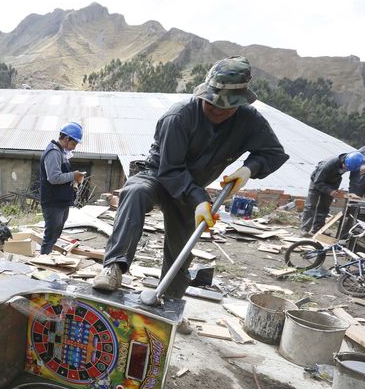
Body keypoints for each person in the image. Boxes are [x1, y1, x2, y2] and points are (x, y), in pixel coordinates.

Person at [92, 56, 289, 295]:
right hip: (157, 175)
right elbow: (171, 170)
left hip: (192, 187)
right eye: (212, 103)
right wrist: (199, 199)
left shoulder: (249, 120)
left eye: (226, 107)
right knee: (134, 192)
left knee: (181, 247)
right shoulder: (178, 117)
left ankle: (170, 298)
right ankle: (114, 267)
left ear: (239, 102)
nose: (217, 110)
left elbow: (274, 152)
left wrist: (249, 169)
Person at [39, 122, 85, 254]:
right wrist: (73, 175)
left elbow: (63, 176)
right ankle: (43, 263)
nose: (73, 147)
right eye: (73, 144)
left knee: (56, 233)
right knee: (51, 235)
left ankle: (49, 259)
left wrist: (74, 182)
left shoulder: (62, 153)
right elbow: (53, 178)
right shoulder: (53, 152)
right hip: (53, 201)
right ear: (66, 139)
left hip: (61, 200)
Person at [299, 152, 365, 236]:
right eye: (346, 167)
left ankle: (317, 230)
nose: (346, 169)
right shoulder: (328, 164)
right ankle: (304, 230)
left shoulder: (354, 165)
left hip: (333, 182)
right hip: (317, 181)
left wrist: (352, 192)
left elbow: (354, 180)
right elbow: (317, 181)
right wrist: (330, 191)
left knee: (324, 207)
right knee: (311, 206)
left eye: (349, 169)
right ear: (344, 161)